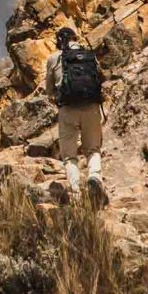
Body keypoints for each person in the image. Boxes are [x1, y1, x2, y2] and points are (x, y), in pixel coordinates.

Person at [45, 26, 104, 194]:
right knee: (93, 148)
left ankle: (76, 191)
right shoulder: (90, 55)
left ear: (59, 40)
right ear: (74, 38)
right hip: (91, 107)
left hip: (68, 109)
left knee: (69, 155)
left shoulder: (54, 58)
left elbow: (49, 91)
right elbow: (100, 78)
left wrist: (56, 96)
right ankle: (94, 176)